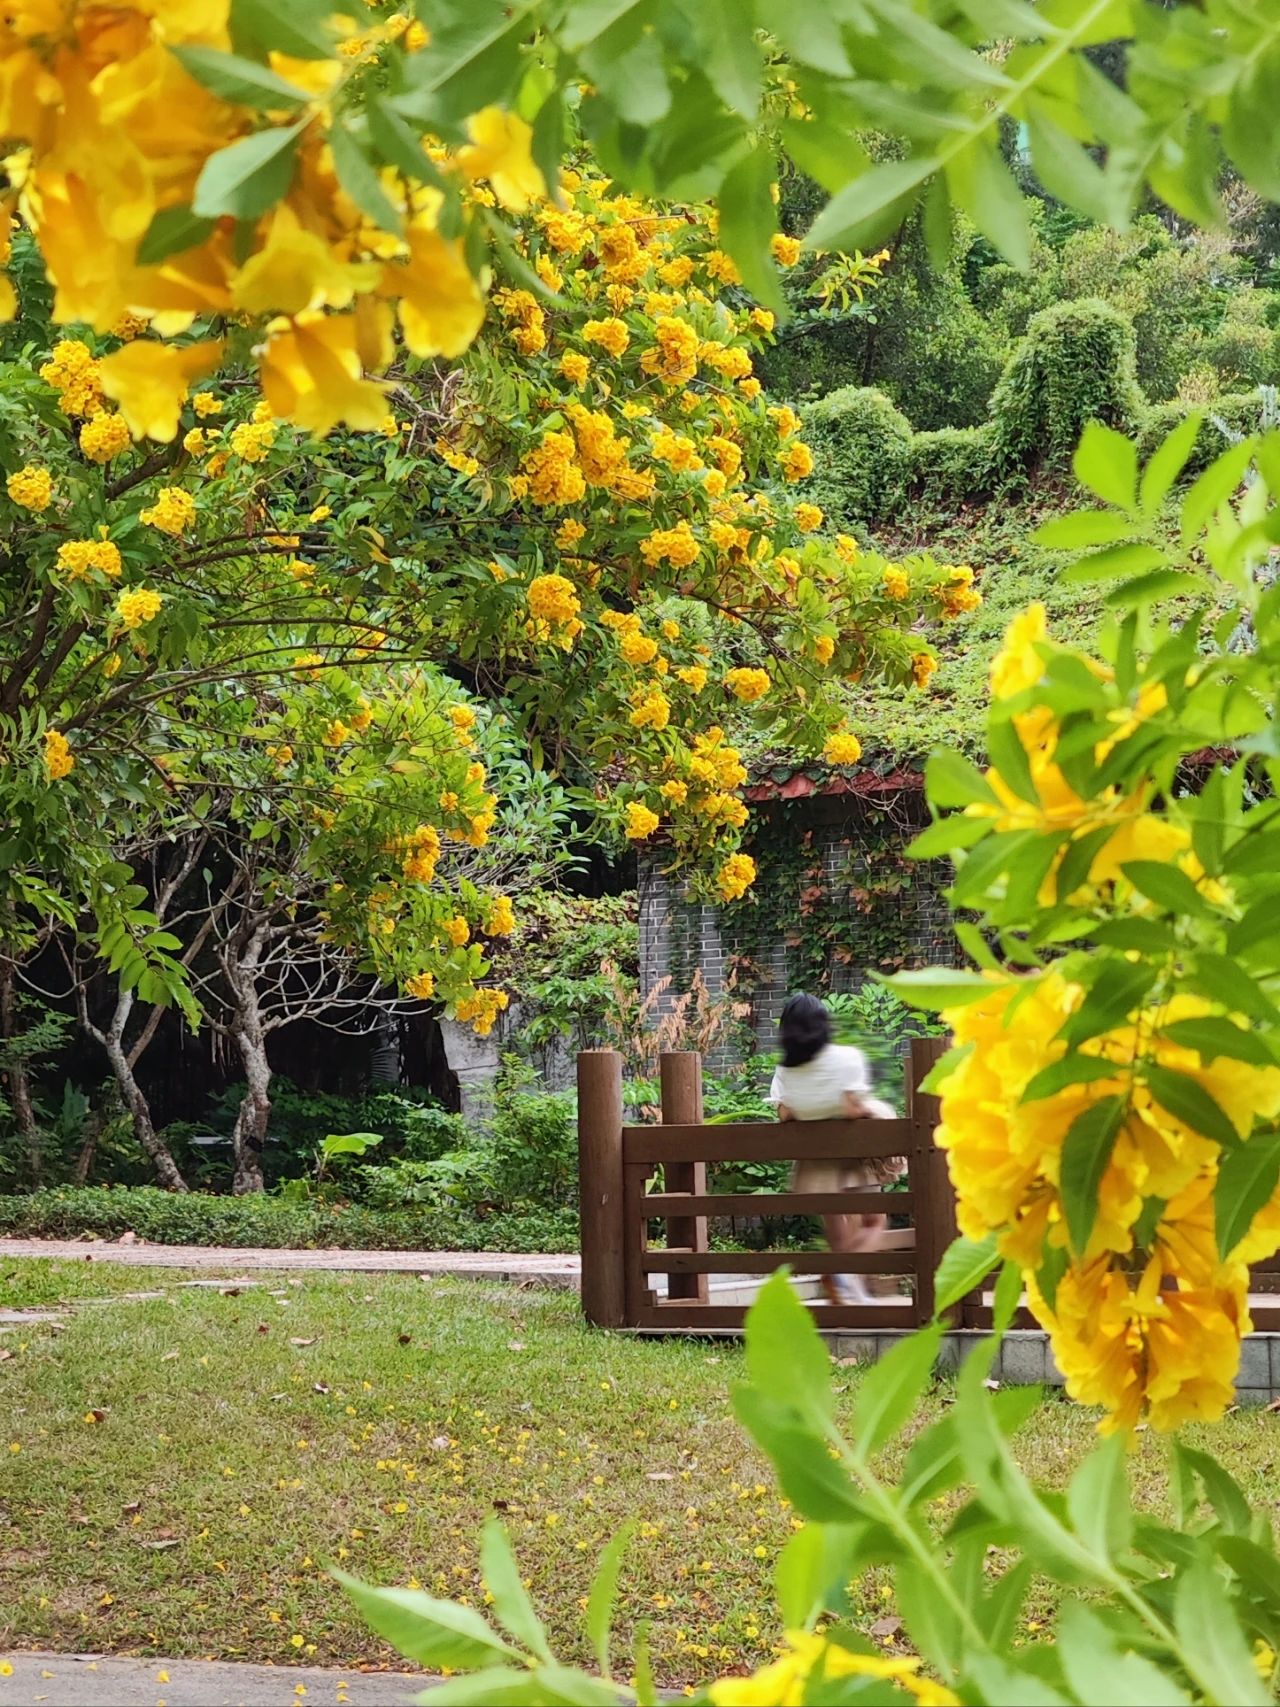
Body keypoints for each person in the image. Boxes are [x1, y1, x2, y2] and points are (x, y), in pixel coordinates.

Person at [769, 993, 899, 1306]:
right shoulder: (848, 1058)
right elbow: (853, 1109)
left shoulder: (786, 1070)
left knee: (835, 1225)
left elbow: (784, 1113)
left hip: (816, 1160)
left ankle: (847, 1288)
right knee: (874, 1222)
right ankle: (843, 1276)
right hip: (854, 1153)